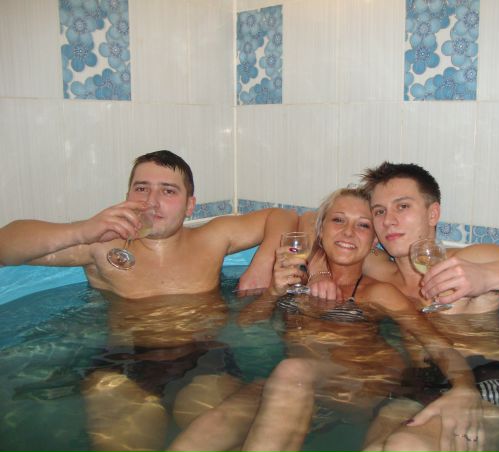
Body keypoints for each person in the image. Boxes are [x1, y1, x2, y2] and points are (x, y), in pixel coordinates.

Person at [168, 188, 499, 452]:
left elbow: (435, 342)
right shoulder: (296, 279)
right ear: (320, 230)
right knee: (216, 421)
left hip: (358, 391)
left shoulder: (377, 293)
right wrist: (273, 292)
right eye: (338, 221)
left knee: (292, 370)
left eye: (363, 225)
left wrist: (464, 388)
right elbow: (244, 327)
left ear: (374, 241)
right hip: (299, 389)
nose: (348, 232)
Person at [0, 150, 298, 451]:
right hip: (123, 363)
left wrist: (263, 264)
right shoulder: (100, 245)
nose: (151, 201)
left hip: (204, 359)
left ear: (190, 205)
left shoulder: (211, 238)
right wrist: (82, 231)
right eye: (141, 188)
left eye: (168, 191)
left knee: (213, 441)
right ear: (127, 196)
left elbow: (282, 216)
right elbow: (5, 246)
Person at [304, 161, 499, 313]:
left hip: (484, 374)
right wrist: (319, 272)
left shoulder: (470, 261)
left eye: (403, 206)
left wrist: (487, 277)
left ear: (433, 214)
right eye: (379, 211)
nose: (389, 220)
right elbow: (309, 222)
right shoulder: (376, 265)